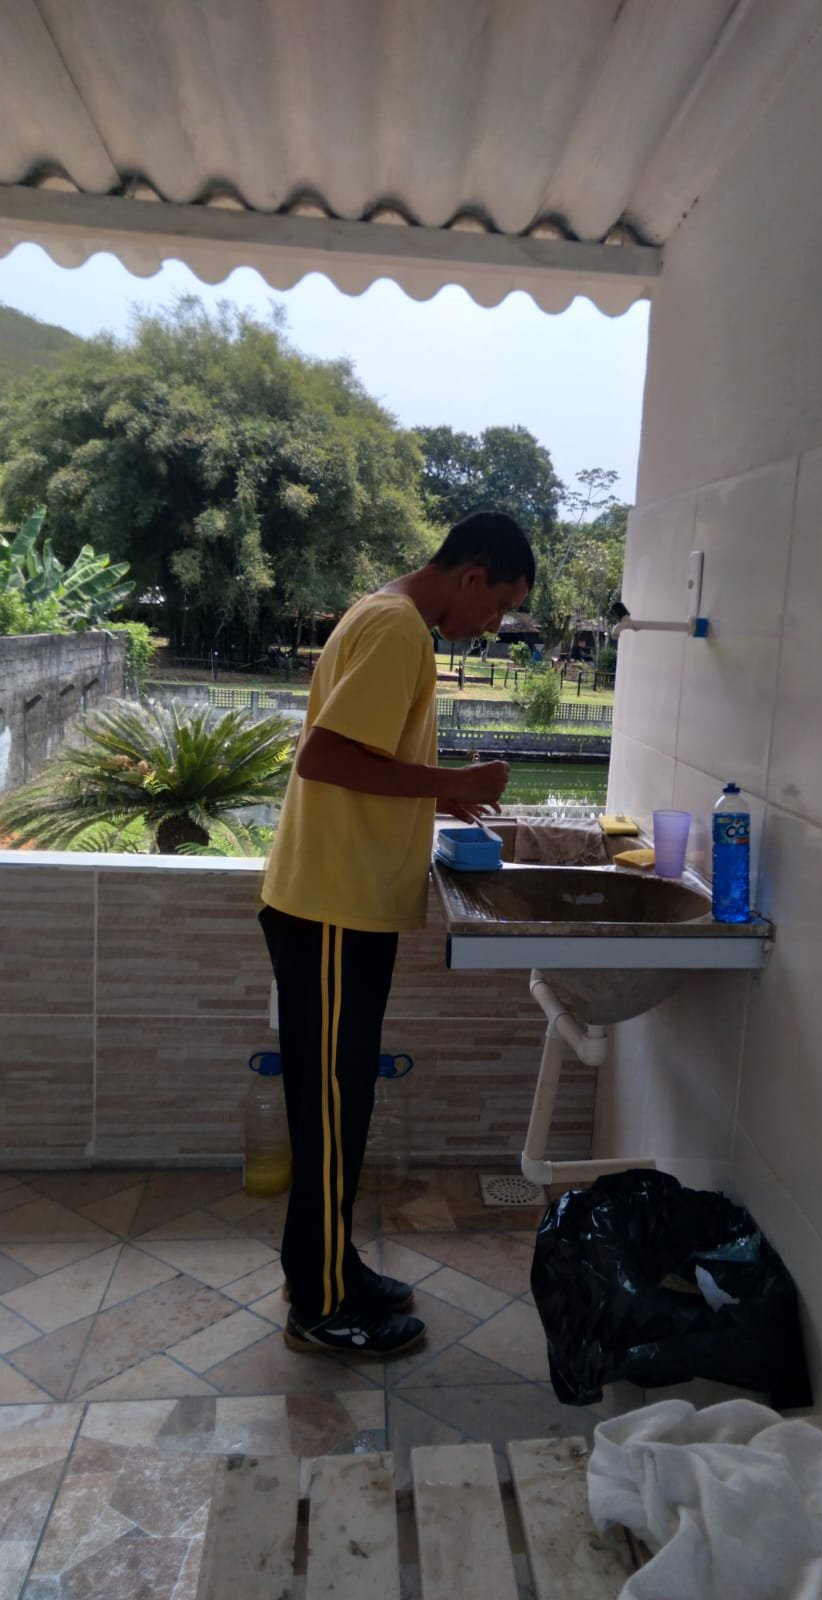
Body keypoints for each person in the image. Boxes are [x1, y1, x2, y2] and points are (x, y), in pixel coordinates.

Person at [258, 510, 535, 1357]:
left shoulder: (382, 617)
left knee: (338, 1105)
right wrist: (455, 783)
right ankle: (321, 1305)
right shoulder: (397, 630)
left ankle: (328, 1265)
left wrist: (436, 794)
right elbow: (325, 757)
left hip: (338, 903)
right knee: (332, 1111)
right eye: (499, 606)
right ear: (472, 576)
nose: (493, 625)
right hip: (332, 907)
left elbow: (358, 757)